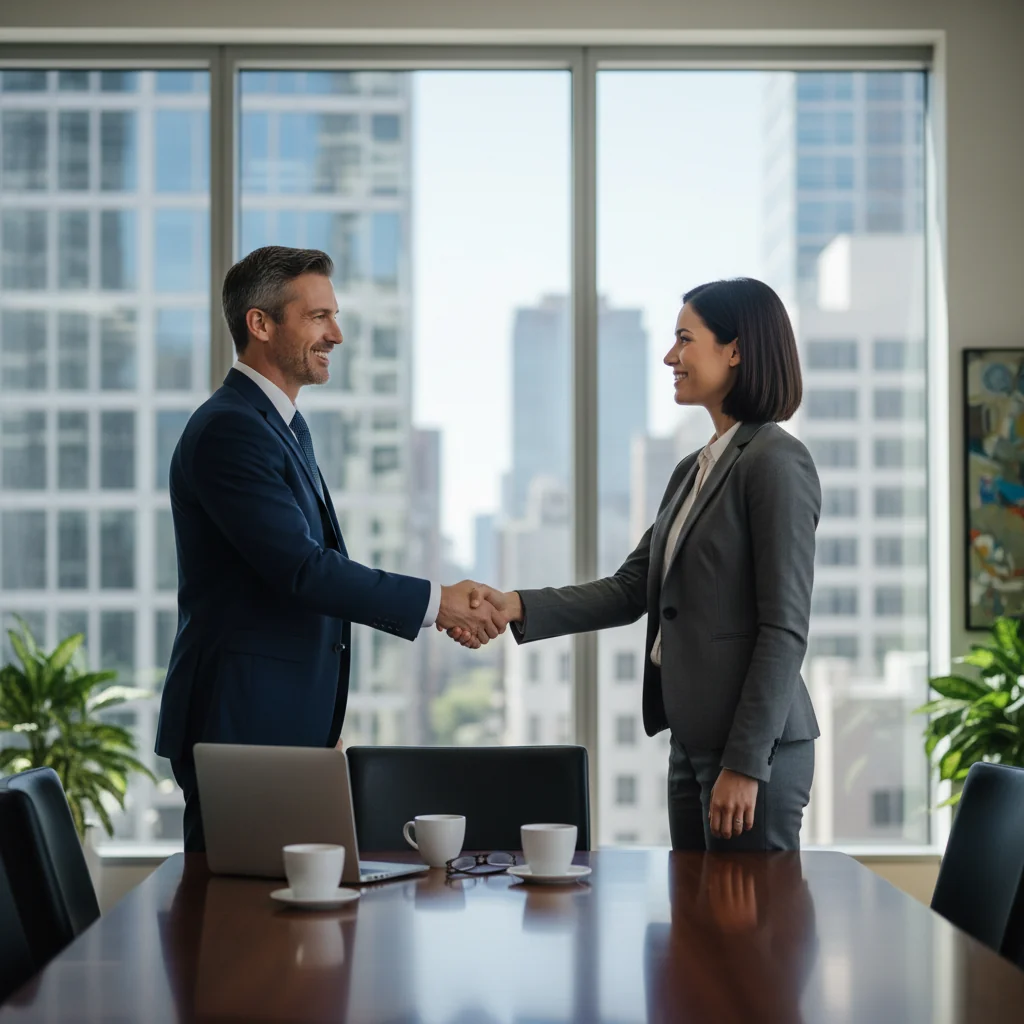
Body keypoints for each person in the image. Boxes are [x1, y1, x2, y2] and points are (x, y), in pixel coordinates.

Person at [448, 278, 820, 850]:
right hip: (692, 743)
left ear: (735, 350)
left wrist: (746, 764)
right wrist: (515, 605)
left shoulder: (775, 461)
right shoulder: (694, 469)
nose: (670, 356)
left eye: (684, 339)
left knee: (749, 932)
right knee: (697, 923)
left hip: (752, 750)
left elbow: (785, 627)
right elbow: (630, 588)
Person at [155, 246, 506, 851]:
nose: (336, 334)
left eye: (333, 317)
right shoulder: (230, 430)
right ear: (260, 324)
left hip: (278, 727)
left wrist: (315, 725)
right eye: (318, 317)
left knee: (284, 922)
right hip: (242, 728)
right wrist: (436, 602)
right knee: (238, 926)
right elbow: (303, 570)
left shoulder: (281, 425)